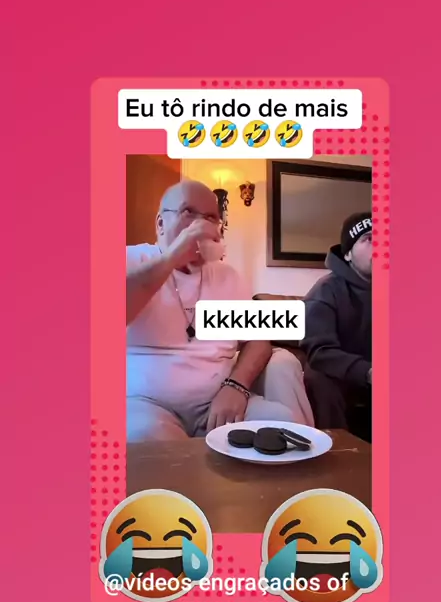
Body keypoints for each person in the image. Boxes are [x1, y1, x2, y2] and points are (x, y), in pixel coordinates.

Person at [127, 180, 313, 441]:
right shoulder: (131, 260)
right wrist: (172, 257)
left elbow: (258, 341)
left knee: (284, 426)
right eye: (188, 212)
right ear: (160, 223)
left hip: (216, 402)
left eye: (210, 217)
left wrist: (236, 386)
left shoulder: (227, 276)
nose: (200, 225)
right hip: (144, 403)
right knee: (151, 440)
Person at [301, 212, 372, 440]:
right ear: (348, 253)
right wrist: (369, 372)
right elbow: (320, 353)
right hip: (345, 378)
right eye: (369, 239)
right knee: (318, 378)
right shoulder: (326, 290)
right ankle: (339, 451)